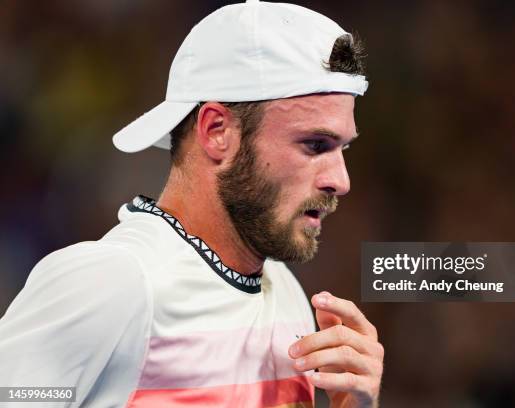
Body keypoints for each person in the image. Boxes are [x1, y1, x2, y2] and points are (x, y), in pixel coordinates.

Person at [0, 0, 384, 407]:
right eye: (315, 144)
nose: (340, 181)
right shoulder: (114, 284)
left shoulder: (287, 292)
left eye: (341, 148)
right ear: (217, 131)